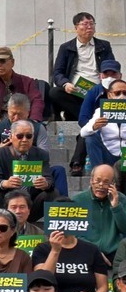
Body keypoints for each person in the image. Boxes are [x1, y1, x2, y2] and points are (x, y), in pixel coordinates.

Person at [52, 12, 114, 175]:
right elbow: (57, 73)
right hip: (75, 93)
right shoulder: (66, 48)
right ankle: (77, 160)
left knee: (87, 125)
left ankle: (77, 162)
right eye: (85, 24)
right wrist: (65, 83)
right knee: (54, 93)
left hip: (97, 94)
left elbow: (111, 67)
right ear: (76, 28)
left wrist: (104, 84)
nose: (89, 27)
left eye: (92, 24)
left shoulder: (104, 46)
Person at [33, 227, 109, 292]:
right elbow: (42, 280)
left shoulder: (92, 249)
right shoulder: (42, 249)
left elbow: (103, 288)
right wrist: (55, 251)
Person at [0, 119, 60, 213]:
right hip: (8, 201)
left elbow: (49, 179)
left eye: (29, 136)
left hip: (32, 202)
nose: (24, 140)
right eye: (20, 136)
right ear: (11, 137)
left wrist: (45, 183)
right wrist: (6, 183)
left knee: (53, 193)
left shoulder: (42, 154)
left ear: (33, 138)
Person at [71, 165, 126, 263]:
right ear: (91, 180)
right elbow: (75, 234)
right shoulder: (78, 200)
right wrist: (94, 250)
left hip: (115, 252)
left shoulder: (121, 199)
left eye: (106, 182)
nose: (101, 185)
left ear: (113, 184)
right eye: (97, 180)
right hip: (87, 250)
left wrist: (116, 207)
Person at [0, 46, 45, 126]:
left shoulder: (27, 82)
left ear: (12, 62)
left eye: (2, 61)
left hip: (23, 120)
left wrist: (33, 120)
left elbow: (37, 101)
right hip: (0, 121)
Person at [81, 78, 126, 166]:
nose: (122, 96)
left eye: (125, 93)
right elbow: (83, 132)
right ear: (109, 95)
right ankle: (99, 172)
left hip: (125, 155)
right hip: (108, 154)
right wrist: (94, 127)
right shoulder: (100, 111)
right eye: (117, 93)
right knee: (90, 138)